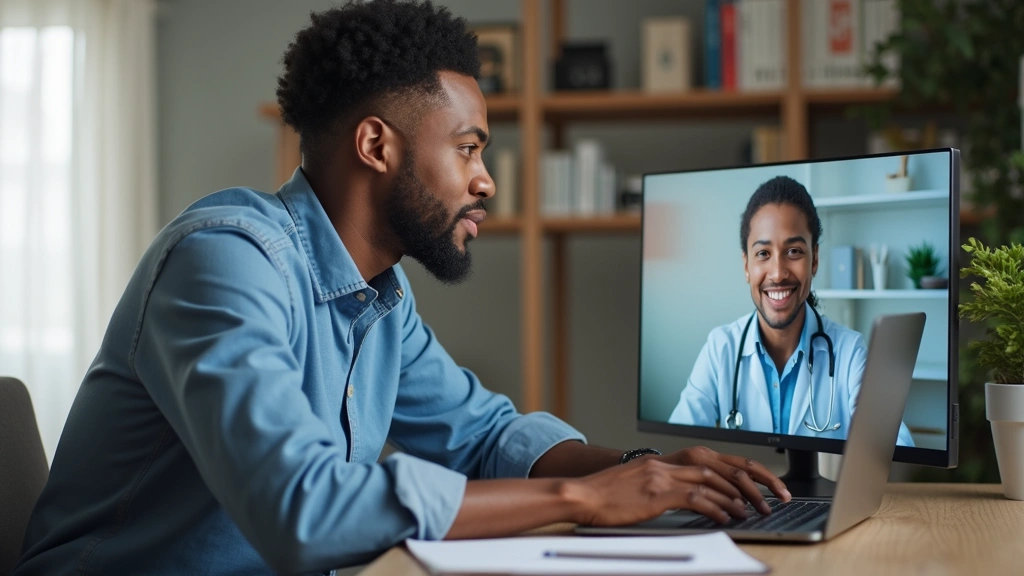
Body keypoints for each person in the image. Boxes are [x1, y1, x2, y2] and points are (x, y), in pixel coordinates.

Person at [14, 2, 791, 575]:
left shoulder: (377, 299)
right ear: (376, 144)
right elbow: (305, 510)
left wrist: (654, 474)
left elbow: (483, 437)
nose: (486, 180)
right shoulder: (223, 264)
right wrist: (588, 501)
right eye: (468, 148)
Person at [668, 176, 915, 446]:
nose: (778, 273)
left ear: (815, 260)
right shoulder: (721, 348)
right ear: (746, 266)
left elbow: (896, 448)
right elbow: (677, 448)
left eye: (794, 251)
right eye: (763, 253)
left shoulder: (849, 351)